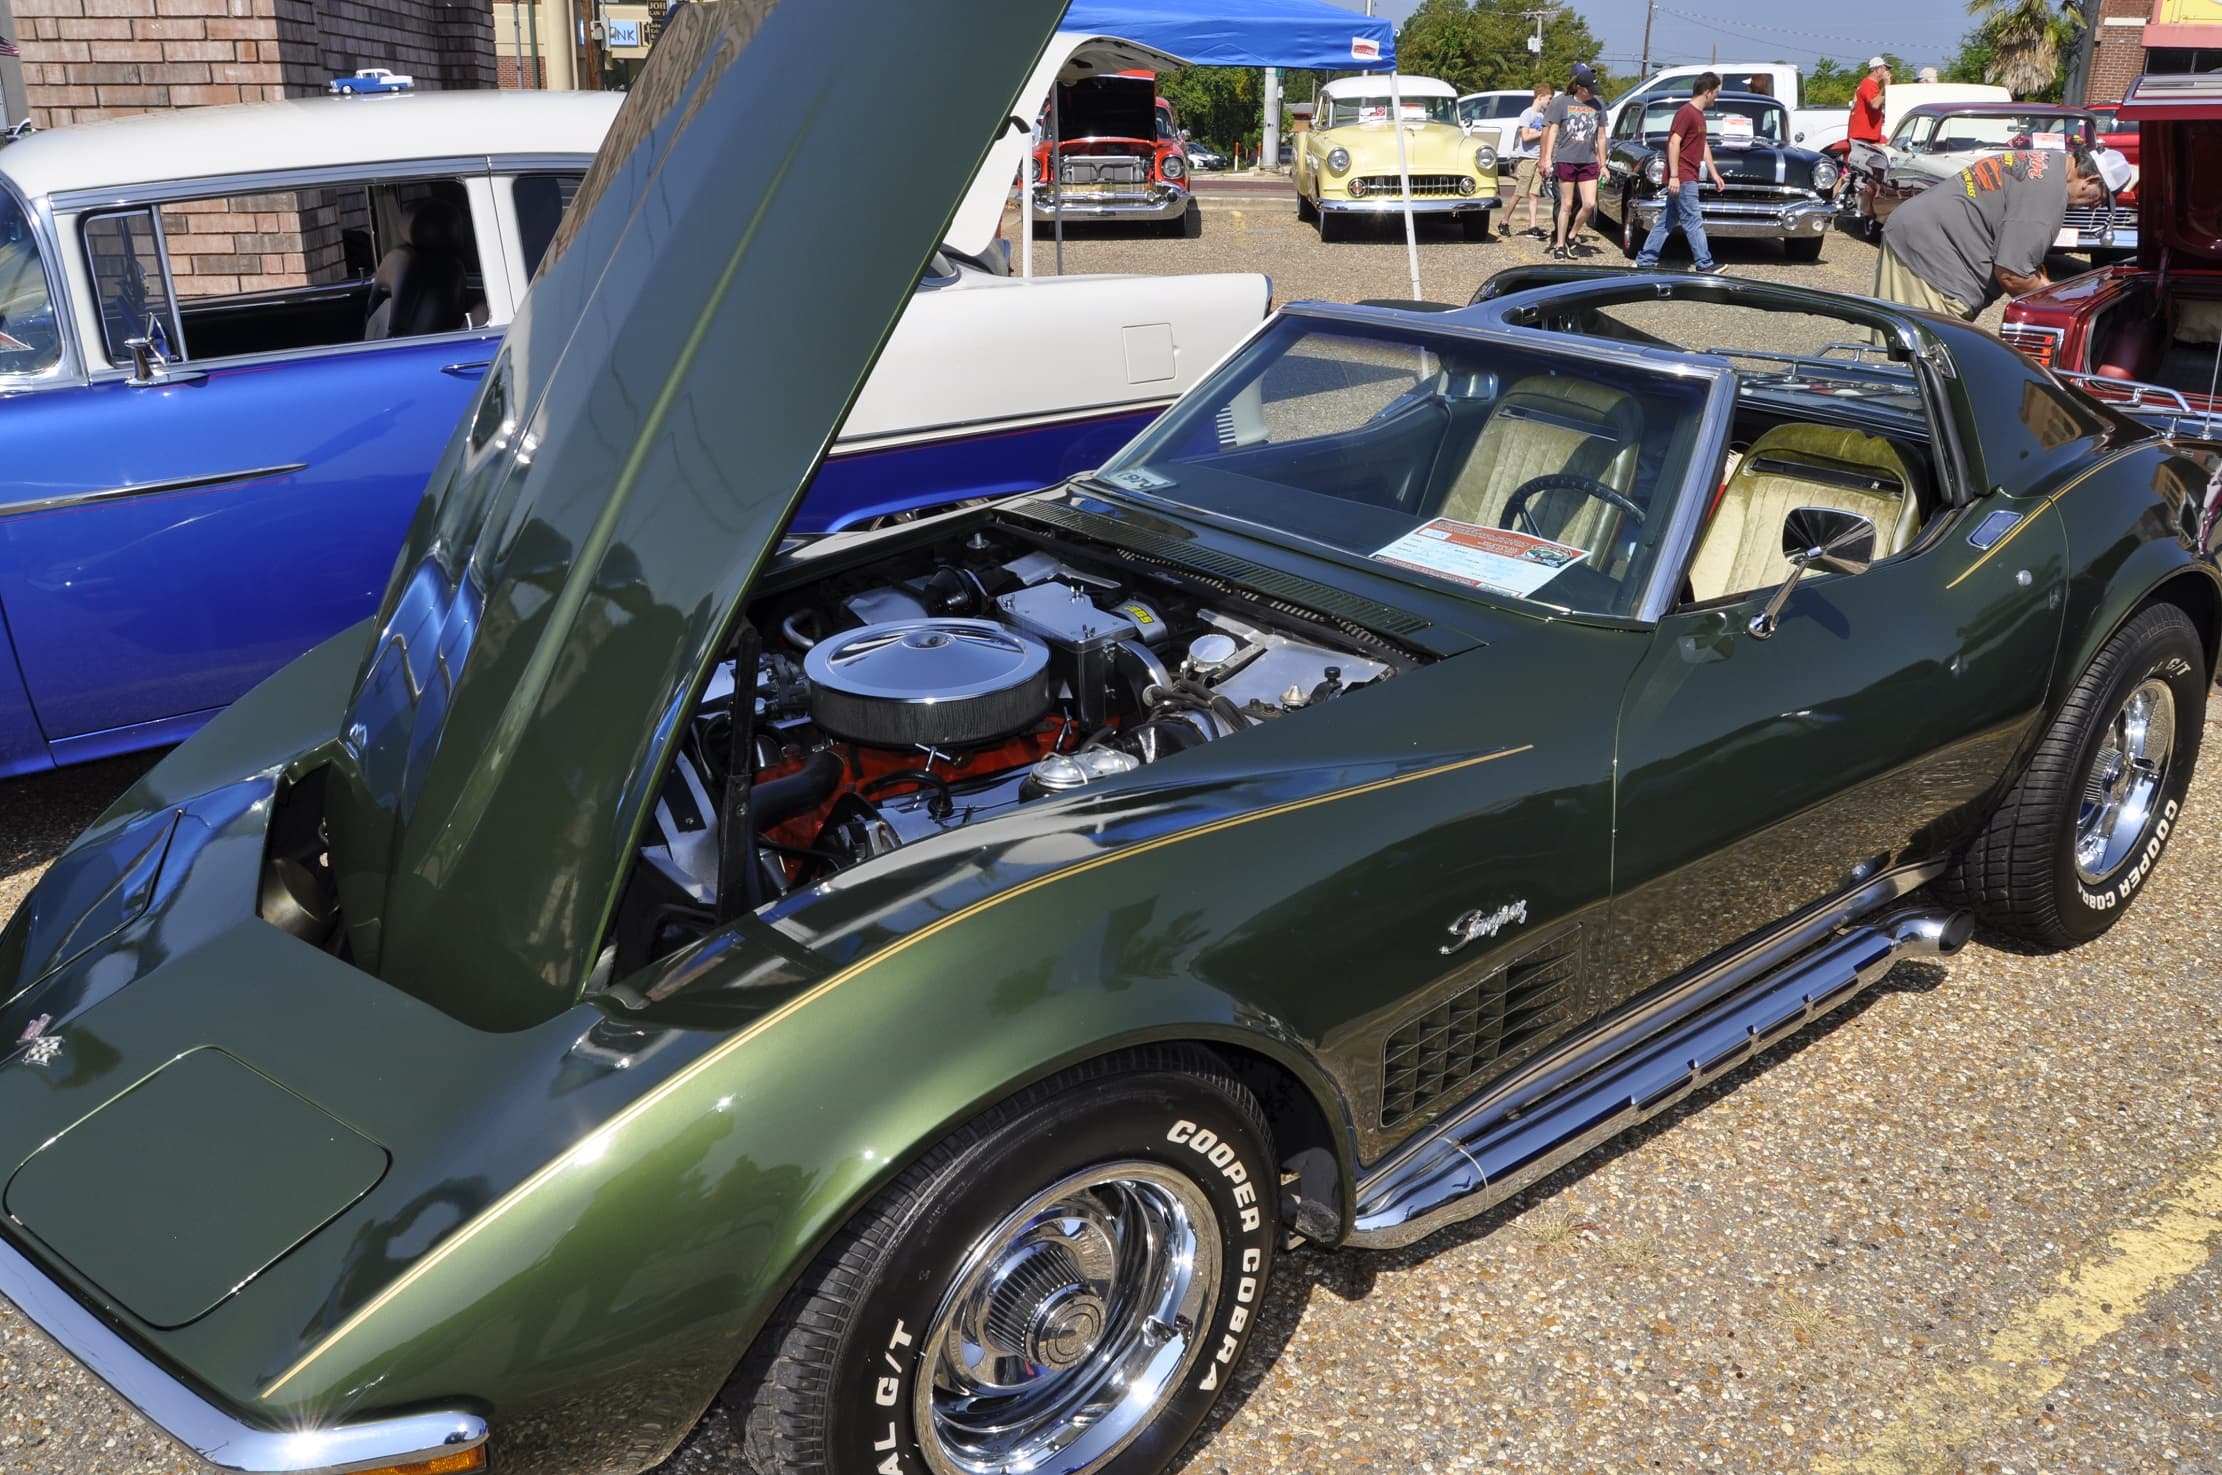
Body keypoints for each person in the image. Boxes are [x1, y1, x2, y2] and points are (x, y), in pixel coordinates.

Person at [1874, 145, 2133, 319]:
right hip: (1933, 258)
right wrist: (2058, 310)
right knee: (1928, 358)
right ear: (2092, 181)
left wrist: (2051, 288)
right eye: (2099, 200)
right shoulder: (2048, 197)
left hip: (1913, 231)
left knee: (1904, 346)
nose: (2092, 207)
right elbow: (2013, 274)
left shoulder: (2047, 160)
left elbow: (2024, 265)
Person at [1635, 73, 1728, 274]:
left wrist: (1714, 173)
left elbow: (1702, 146)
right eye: (1716, 93)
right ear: (1707, 92)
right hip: (1684, 177)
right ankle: (1705, 263)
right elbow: (1674, 142)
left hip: (1687, 176)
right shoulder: (1686, 113)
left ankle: (1645, 259)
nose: (1716, 97)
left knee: (1667, 220)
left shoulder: (1699, 116)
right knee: (1693, 220)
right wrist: (1675, 175)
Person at [1540, 62, 1605, 260]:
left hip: (1588, 161)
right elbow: (1551, 130)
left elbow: (1601, 136)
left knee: (1589, 204)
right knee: (1566, 204)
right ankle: (1560, 244)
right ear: (1580, 88)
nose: (1593, 93)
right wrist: (1547, 158)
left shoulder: (1598, 105)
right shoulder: (1562, 103)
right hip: (1566, 159)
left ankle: (1571, 235)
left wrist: (1603, 164)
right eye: (1590, 90)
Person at [1510, 81, 1555, 238]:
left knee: (1534, 193)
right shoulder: (1527, 114)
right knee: (1520, 192)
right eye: (1548, 99)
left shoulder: (1543, 116)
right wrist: (1542, 132)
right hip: (1527, 159)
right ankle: (1504, 220)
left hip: (1538, 159)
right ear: (1540, 97)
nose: (1549, 102)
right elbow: (1525, 136)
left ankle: (1533, 226)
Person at [1849, 57, 1889, 146]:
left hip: (1863, 136)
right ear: (1878, 69)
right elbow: (1875, 104)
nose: (1887, 72)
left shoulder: (1867, 84)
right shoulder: (1869, 84)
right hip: (1864, 137)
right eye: (1885, 69)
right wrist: (1886, 85)